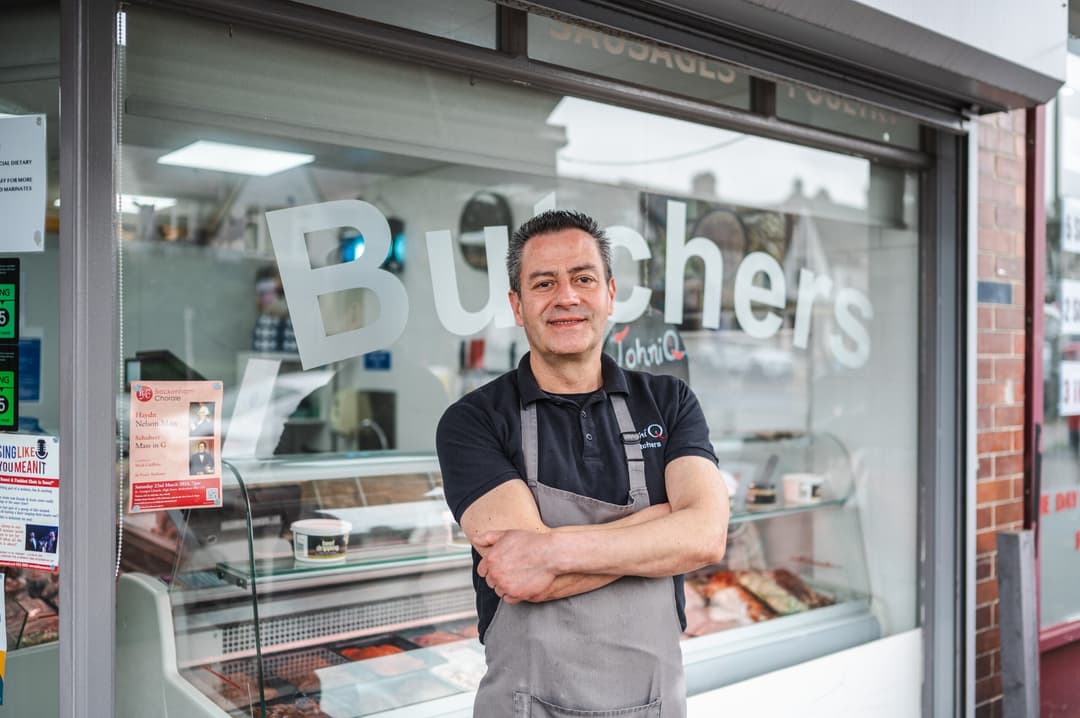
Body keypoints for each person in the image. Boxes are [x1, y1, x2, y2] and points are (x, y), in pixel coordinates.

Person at [436, 210, 729, 717]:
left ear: (610, 294)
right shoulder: (474, 421)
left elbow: (704, 537)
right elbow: (522, 575)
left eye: (583, 278)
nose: (566, 297)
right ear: (517, 305)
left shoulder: (668, 402)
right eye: (543, 283)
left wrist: (549, 549)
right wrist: (662, 524)